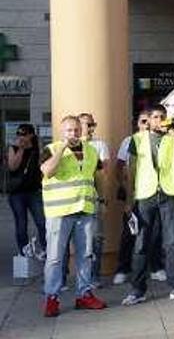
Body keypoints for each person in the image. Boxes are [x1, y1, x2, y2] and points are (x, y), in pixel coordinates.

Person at [121, 106, 174, 305]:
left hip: (169, 193)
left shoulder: (172, 137)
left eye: (162, 117)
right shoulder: (137, 139)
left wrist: (170, 129)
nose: (159, 120)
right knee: (141, 243)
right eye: (155, 117)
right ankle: (137, 290)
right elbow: (131, 170)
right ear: (149, 120)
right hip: (145, 194)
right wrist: (129, 199)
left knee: (172, 243)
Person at [40, 116, 107, 317]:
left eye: (77, 130)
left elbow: (98, 177)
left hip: (85, 209)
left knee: (85, 255)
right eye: (69, 130)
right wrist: (62, 149)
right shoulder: (51, 149)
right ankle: (52, 298)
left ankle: (84, 294)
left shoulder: (91, 150)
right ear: (62, 132)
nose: (74, 134)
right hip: (59, 212)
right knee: (54, 257)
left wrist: (101, 200)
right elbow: (47, 171)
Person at [113, 112, 164, 285]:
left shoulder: (161, 139)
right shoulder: (129, 141)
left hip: (153, 194)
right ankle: (123, 269)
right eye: (143, 121)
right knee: (130, 233)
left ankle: (156, 267)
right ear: (137, 124)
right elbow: (120, 168)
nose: (147, 124)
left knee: (155, 233)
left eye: (149, 121)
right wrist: (126, 191)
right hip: (134, 194)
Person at [78, 112, 111, 287]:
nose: (91, 128)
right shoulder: (71, 145)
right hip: (73, 200)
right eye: (87, 124)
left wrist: (103, 200)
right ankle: (74, 276)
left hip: (94, 198)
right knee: (76, 239)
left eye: (93, 124)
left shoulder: (99, 145)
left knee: (96, 239)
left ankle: (94, 277)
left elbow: (104, 173)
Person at [5, 123, 46, 258]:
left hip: (34, 191)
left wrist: (37, 148)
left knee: (41, 221)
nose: (21, 137)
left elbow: (41, 165)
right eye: (19, 134)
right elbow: (12, 167)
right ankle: (24, 251)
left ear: (31, 135)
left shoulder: (36, 147)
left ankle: (46, 248)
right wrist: (21, 149)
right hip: (17, 192)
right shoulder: (14, 147)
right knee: (21, 223)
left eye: (24, 135)